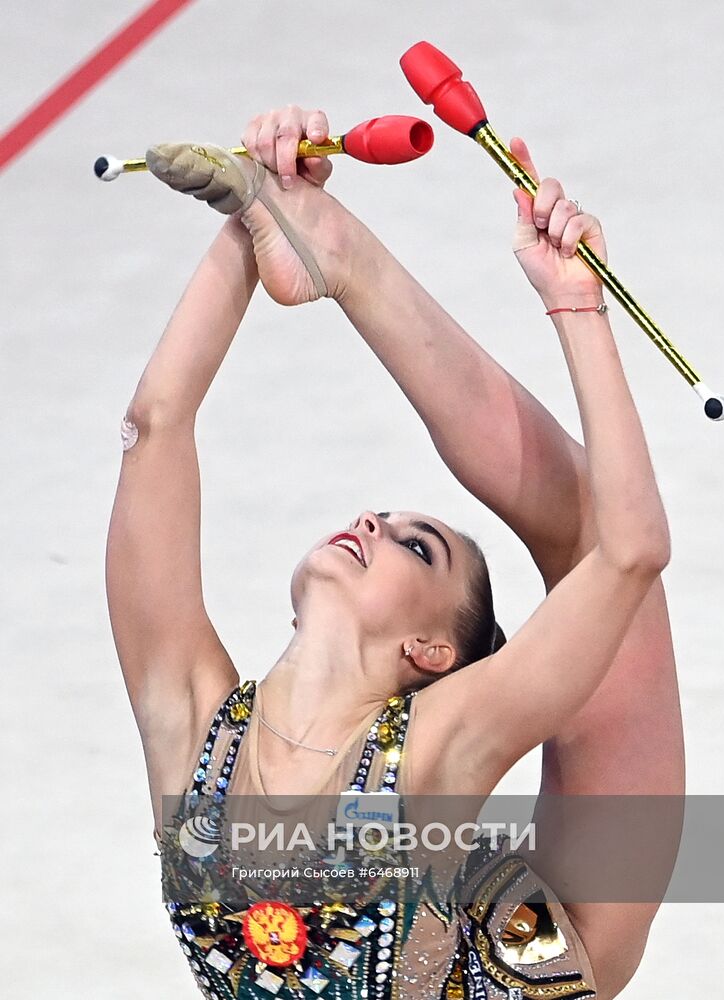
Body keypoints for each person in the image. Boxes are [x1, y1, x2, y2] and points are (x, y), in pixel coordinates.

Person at [106, 105, 684, 1000]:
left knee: (589, 537)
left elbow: (633, 550)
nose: (372, 525)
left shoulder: (430, 751)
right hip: (506, 935)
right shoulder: (196, 726)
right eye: (385, 520)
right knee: (583, 531)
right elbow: (153, 427)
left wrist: (577, 306)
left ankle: (344, 252)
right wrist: (253, 211)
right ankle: (330, 246)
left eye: (416, 545)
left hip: (559, 944)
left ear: (431, 653)